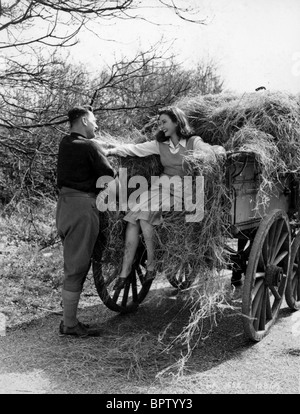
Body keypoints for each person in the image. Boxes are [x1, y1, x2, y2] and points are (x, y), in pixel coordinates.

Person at [104, 106, 222, 290]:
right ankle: (124, 272)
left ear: (177, 122)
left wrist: (218, 151)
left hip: (184, 191)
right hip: (161, 187)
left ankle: (152, 264)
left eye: (164, 122)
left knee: (144, 217)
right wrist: (112, 151)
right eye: (159, 123)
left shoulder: (193, 142)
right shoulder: (161, 144)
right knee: (132, 220)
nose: (161, 126)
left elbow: (210, 151)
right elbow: (135, 149)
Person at [56, 105, 116, 337]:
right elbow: (108, 177)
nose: (96, 125)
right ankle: (69, 325)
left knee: (72, 264)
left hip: (64, 207)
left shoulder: (65, 143)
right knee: (77, 268)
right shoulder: (90, 146)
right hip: (82, 208)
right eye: (93, 120)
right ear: (83, 121)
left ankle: (69, 322)